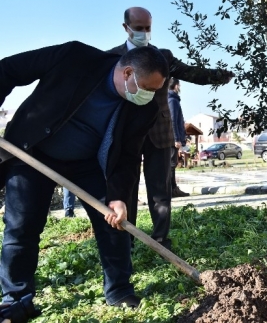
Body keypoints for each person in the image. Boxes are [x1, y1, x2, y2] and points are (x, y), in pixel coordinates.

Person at [0, 42, 169, 310]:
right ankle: (16, 300)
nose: (150, 96)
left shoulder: (144, 108)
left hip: (88, 164)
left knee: (113, 223)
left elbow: (128, 155)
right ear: (127, 73)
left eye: (155, 91)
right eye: (147, 88)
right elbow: (9, 69)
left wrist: (118, 197)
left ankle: (120, 292)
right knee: (21, 227)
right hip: (33, 152)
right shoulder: (75, 57)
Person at [107, 7, 234, 251]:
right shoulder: (112, 57)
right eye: (138, 28)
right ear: (126, 28)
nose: (144, 32)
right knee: (126, 189)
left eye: (147, 28)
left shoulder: (162, 56)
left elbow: (190, 73)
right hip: (125, 135)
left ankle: (161, 241)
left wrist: (220, 75)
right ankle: (126, 241)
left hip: (159, 132)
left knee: (160, 191)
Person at [167, 77, 186, 197]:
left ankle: (172, 188)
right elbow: (172, 120)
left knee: (172, 164)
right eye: (179, 85)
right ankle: (172, 189)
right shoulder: (172, 100)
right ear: (176, 85)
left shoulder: (172, 99)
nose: (180, 87)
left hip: (172, 138)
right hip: (172, 139)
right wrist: (176, 138)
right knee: (171, 164)